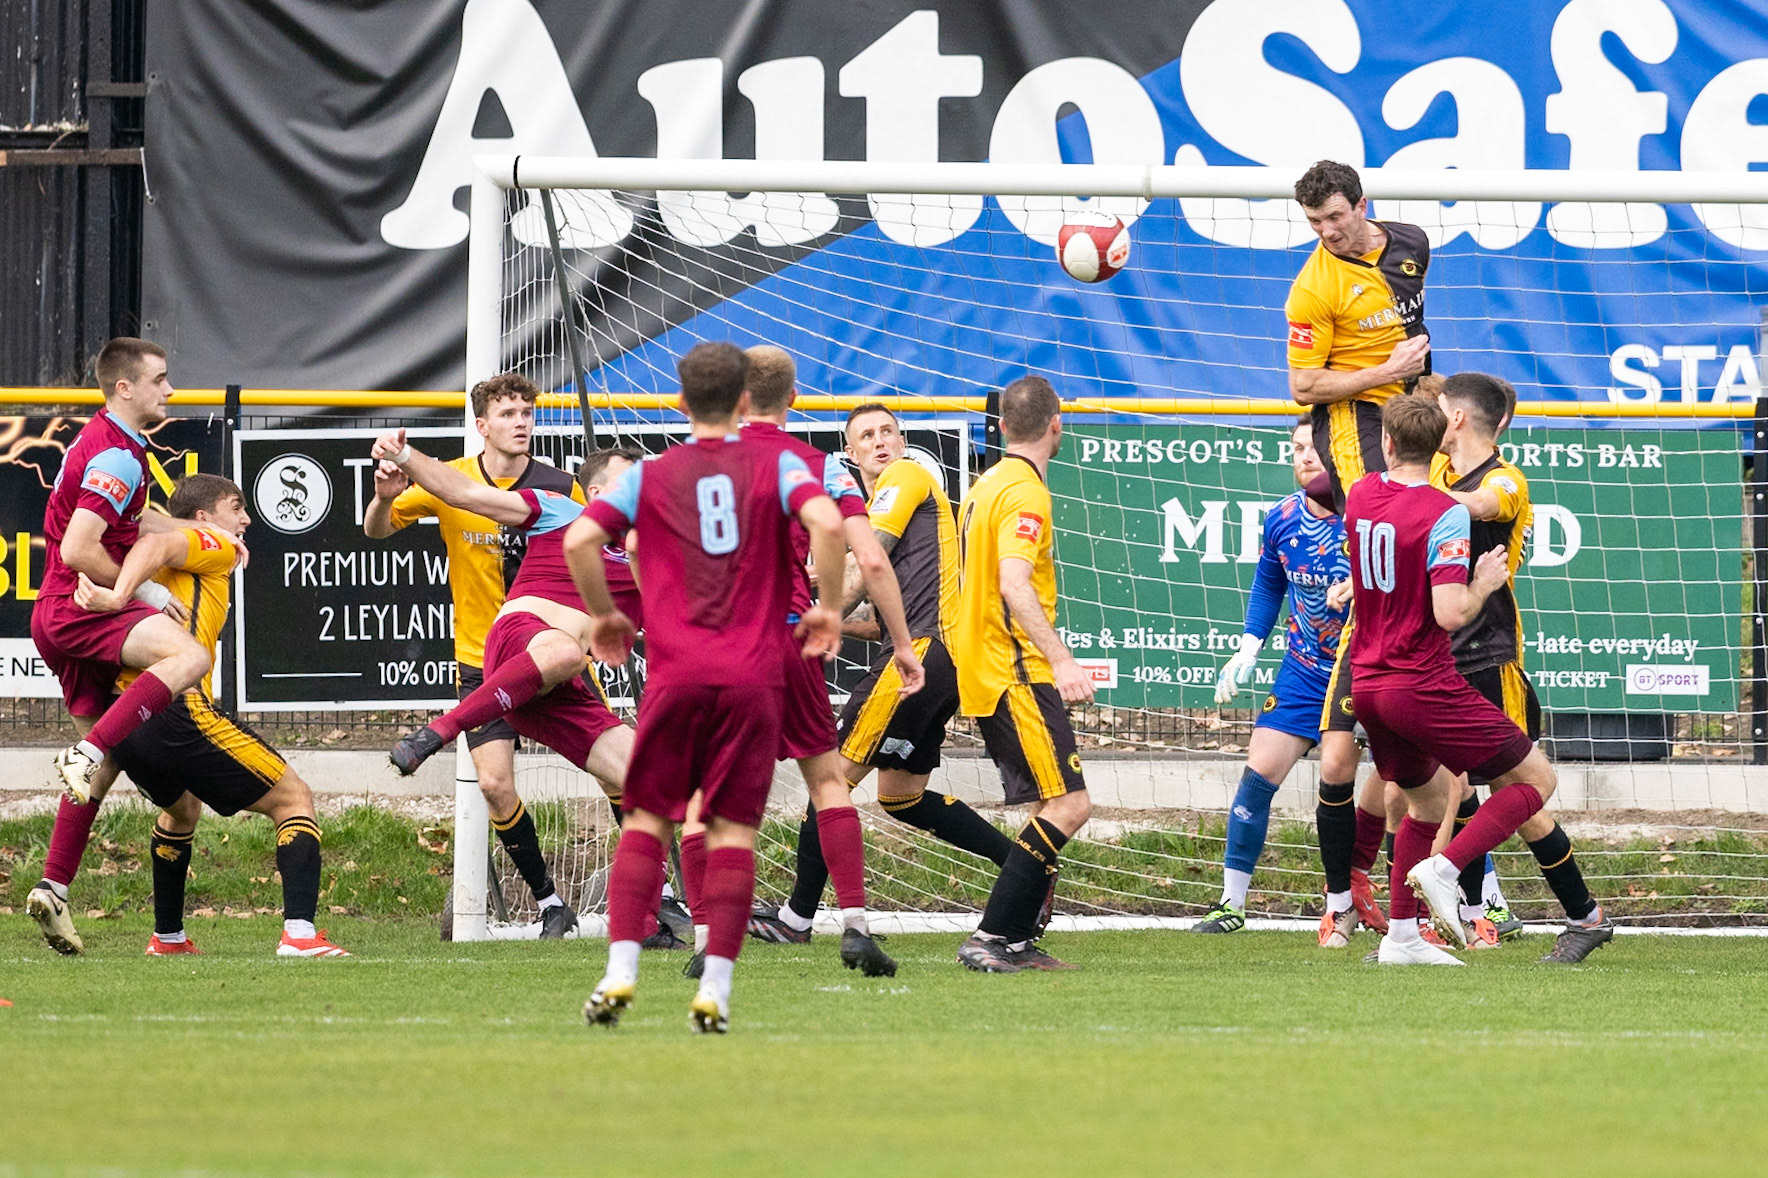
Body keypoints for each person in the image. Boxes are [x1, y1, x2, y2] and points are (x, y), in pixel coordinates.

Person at [568, 341, 846, 1033]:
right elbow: (831, 523)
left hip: (677, 672)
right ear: (746, 404)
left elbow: (579, 542)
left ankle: (620, 972)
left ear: (680, 404)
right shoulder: (778, 462)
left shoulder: (651, 475)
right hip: (754, 676)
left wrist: (605, 616)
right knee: (732, 833)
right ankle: (715, 989)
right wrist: (830, 607)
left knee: (648, 819)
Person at [752, 403, 1013, 943]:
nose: (880, 441)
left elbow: (863, 566)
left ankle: (796, 919)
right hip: (944, 660)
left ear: (902, 440)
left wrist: (802, 613)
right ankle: (1022, 869)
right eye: (866, 435)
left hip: (923, 654)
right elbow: (872, 614)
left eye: (888, 431)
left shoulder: (905, 475)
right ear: (849, 452)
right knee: (901, 795)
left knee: (829, 780)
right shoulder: (874, 504)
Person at [371, 430, 639, 941]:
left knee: (651, 778)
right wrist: (404, 454)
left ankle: (649, 916)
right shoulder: (563, 510)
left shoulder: (652, 553)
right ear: (601, 495)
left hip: (559, 687)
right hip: (515, 645)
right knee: (559, 654)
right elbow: (463, 493)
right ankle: (438, 732)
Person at [64, 475, 348, 957]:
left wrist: (128, 587)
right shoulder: (210, 542)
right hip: (176, 707)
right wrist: (119, 595)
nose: (245, 519)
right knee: (294, 798)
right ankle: (300, 935)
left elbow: (145, 530)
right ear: (204, 518)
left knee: (183, 812)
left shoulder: (179, 548)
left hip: (128, 715)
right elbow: (157, 540)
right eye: (235, 507)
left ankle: (168, 937)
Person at [722, 350, 923, 977]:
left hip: (721, 647)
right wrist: (901, 643)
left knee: (717, 796)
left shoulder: (700, 466)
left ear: (737, 398)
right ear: (795, 399)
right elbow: (873, 558)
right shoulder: (820, 468)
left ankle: (710, 938)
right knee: (828, 783)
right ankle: (855, 925)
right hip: (790, 640)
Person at [1343, 394, 1562, 965]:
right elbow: (1450, 612)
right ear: (1439, 442)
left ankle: (1403, 938)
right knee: (1536, 780)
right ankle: (1445, 869)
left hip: (1367, 683)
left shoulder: (1364, 493)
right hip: (1421, 682)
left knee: (1425, 801)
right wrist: (1485, 581)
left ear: (1388, 444)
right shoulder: (1445, 513)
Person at [25, 338, 218, 954]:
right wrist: (149, 595)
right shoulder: (120, 456)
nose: (170, 391)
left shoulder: (111, 443)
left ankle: (54, 887)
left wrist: (194, 530)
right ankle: (87, 750)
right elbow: (83, 549)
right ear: (125, 389)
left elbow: (136, 524)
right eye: (160, 380)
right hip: (77, 604)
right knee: (190, 656)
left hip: (54, 613)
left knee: (99, 770)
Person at [1432, 373, 1612, 962]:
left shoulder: (1506, 480)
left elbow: (1480, 505)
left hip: (1489, 660)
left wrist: (1403, 501)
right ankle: (1452, 916)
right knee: (1437, 792)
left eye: (1438, 408)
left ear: (1457, 419)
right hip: (1436, 658)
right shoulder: (1435, 473)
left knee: (1520, 795)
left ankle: (1580, 917)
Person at [1200, 417, 1388, 947]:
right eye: (1297, 448)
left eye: (1316, 447)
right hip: (1305, 671)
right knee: (1257, 775)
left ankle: (1466, 897)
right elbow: (1268, 584)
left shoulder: (1365, 518)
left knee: (1400, 784)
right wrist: (1247, 647)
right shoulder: (1281, 518)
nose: (1306, 456)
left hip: (1367, 667)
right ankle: (1231, 905)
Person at [951, 376, 1093, 973]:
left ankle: (1015, 939)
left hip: (985, 668)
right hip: (1016, 672)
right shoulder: (1027, 494)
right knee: (1070, 805)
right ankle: (992, 936)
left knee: (1047, 806)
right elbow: (1012, 582)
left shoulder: (986, 484)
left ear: (1003, 426)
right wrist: (1060, 659)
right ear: (1056, 425)